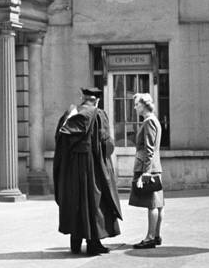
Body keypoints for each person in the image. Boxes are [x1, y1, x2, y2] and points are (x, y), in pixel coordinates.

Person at [53, 87, 122, 255]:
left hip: (71, 168)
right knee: (94, 201)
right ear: (96, 100)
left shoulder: (69, 114)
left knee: (75, 200)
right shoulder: (98, 114)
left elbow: (59, 141)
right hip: (92, 166)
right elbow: (106, 144)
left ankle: (75, 242)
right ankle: (93, 243)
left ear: (82, 98)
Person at [128, 92, 164, 248]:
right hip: (156, 166)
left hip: (149, 167)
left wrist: (145, 173)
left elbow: (149, 149)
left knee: (152, 204)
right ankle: (156, 235)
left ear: (143, 105)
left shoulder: (148, 122)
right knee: (158, 203)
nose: (135, 107)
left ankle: (150, 238)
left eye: (137, 104)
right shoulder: (154, 120)